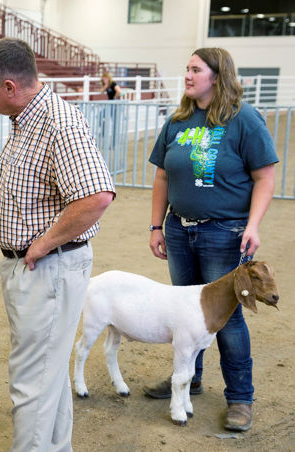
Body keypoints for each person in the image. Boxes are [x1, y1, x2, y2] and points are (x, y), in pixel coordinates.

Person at [0, 38, 115, 452]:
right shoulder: (27, 120)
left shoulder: (58, 123)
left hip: (46, 268)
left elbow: (96, 196)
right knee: (46, 372)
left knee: (31, 379)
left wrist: (43, 244)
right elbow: (10, 177)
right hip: (35, 269)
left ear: (10, 87)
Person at [146, 47, 278, 432]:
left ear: (217, 76)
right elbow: (162, 177)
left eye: (195, 70)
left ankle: (240, 398)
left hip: (225, 233)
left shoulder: (245, 120)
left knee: (229, 317)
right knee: (187, 312)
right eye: (186, 68)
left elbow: (265, 177)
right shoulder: (178, 120)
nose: (187, 75)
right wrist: (157, 226)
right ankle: (191, 380)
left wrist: (252, 225)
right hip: (179, 229)